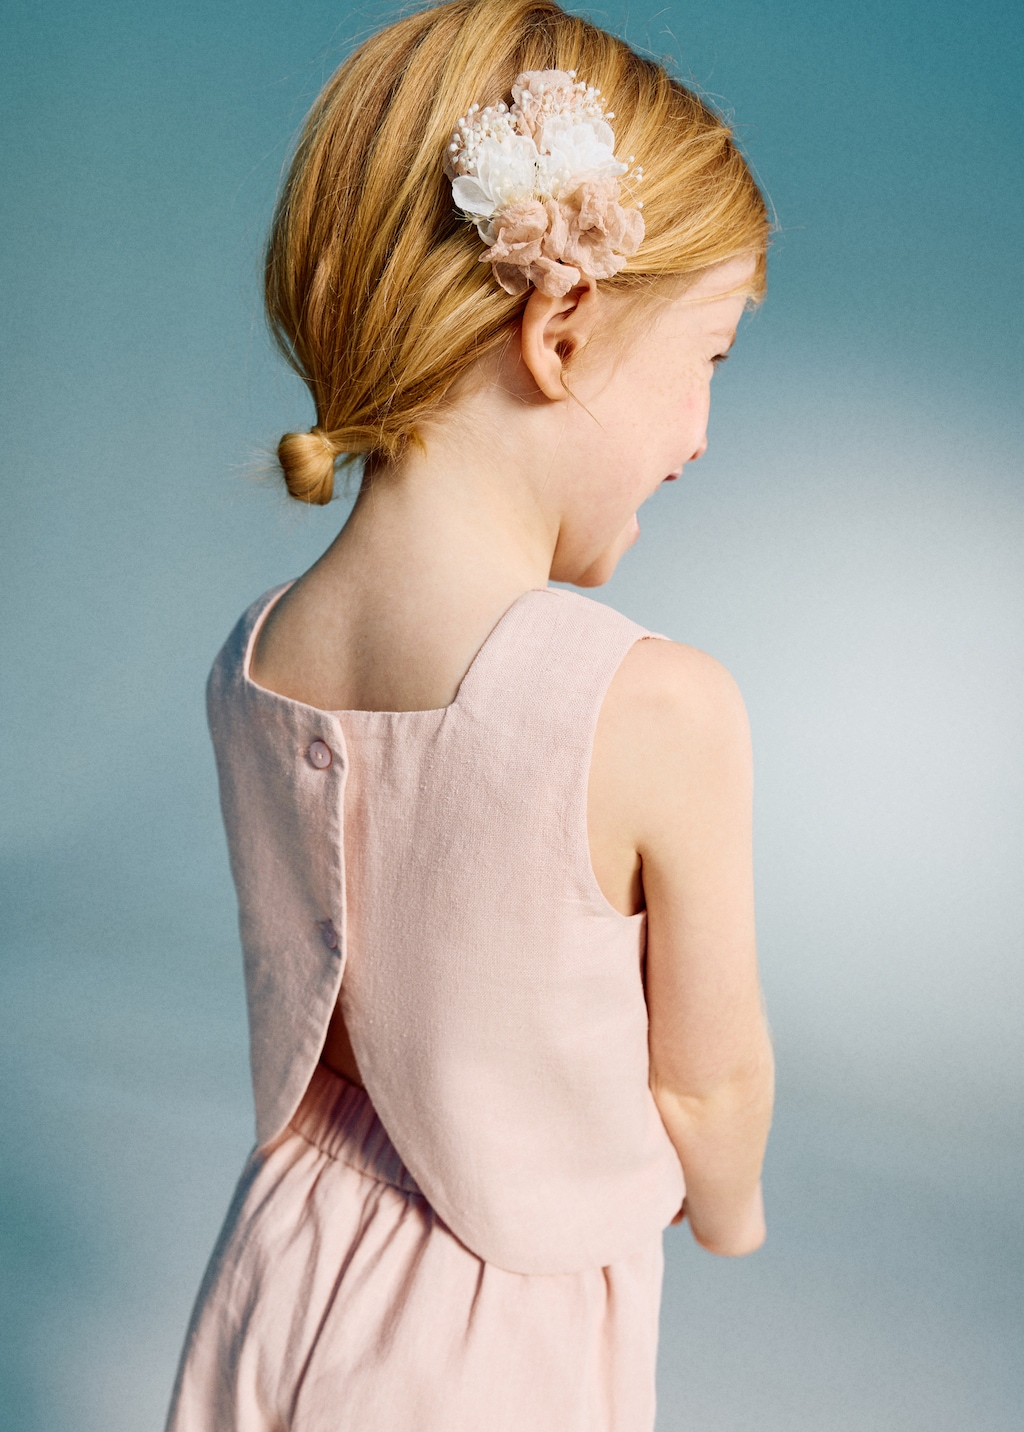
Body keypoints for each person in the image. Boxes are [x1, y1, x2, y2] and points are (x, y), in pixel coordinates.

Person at [165, 2, 774, 1428]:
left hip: (275, 1258)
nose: (700, 438)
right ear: (559, 326)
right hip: (497, 1336)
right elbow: (711, 1082)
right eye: (709, 362)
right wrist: (730, 1210)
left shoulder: (254, 654)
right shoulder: (653, 704)